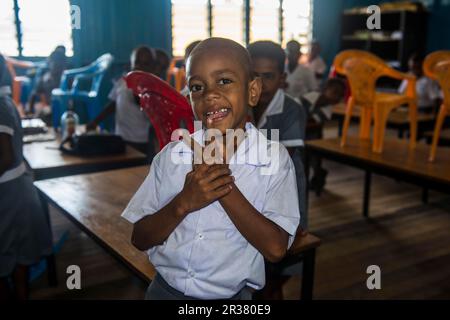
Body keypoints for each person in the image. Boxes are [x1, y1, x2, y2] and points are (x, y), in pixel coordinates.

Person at [122, 38, 300, 300]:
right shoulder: (173, 156)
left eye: (224, 81)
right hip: (163, 291)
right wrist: (183, 202)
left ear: (252, 90)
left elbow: (275, 248)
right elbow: (140, 238)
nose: (210, 94)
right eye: (197, 86)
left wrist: (219, 182)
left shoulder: (273, 159)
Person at [247, 40, 307, 300]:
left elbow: (280, 158)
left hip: (285, 195)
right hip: (251, 196)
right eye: (254, 76)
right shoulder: (240, 105)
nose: (260, 84)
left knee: (277, 265)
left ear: (282, 78)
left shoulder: (291, 109)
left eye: (268, 77)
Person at [0, 54, 53, 300]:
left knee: (13, 250)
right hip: (13, 189)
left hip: (10, 193)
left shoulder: (1, 105)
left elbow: (5, 156)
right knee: (15, 252)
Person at [86, 46, 156, 159]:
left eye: (145, 64)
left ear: (152, 67)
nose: (140, 66)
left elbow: (148, 110)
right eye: (137, 62)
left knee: (138, 169)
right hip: (120, 135)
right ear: (131, 63)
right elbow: (113, 104)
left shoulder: (150, 86)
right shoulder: (123, 81)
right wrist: (96, 121)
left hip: (139, 139)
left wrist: (137, 92)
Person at [300, 78, 346, 194]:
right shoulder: (310, 97)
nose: (336, 97)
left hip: (312, 136)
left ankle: (316, 178)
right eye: (334, 92)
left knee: (313, 159)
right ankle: (317, 175)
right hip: (300, 131)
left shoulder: (328, 110)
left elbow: (312, 123)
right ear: (325, 89)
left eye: (339, 95)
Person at [27, 45, 68, 114]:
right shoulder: (46, 75)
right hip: (50, 102)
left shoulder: (65, 75)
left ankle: (46, 108)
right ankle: (45, 108)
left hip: (55, 84)